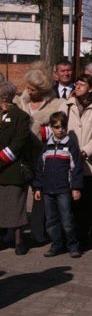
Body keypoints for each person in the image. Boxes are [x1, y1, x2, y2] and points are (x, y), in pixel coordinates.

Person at [14, 65, 67, 245]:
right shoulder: (20, 102)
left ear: (43, 90)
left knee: (40, 195)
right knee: (17, 195)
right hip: (20, 157)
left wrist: (41, 131)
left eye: (33, 89)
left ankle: (39, 232)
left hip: (42, 157)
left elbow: (58, 129)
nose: (29, 91)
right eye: (28, 87)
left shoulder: (56, 104)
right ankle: (15, 233)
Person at [34, 111, 84, 258]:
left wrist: (76, 188)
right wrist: (38, 187)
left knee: (67, 220)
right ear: (51, 127)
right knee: (51, 221)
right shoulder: (46, 146)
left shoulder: (71, 145)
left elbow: (76, 168)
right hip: (48, 190)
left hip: (64, 189)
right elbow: (40, 168)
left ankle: (73, 246)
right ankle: (56, 245)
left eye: (63, 127)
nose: (60, 130)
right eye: (56, 127)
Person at [66, 74, 92, 249]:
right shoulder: (66, 105)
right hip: (69, 161)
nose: (78, 86)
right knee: (73, 203)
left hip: (90, 163)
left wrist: (86, 150)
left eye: (82, 84)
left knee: (91, 202)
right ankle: (75, 238)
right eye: (77, 83)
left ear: (91, 88)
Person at [0, 81, 32, 255]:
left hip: (12, 168)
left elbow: (19, 143)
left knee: (15, 205)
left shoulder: (21, 116)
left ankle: (19, 240)